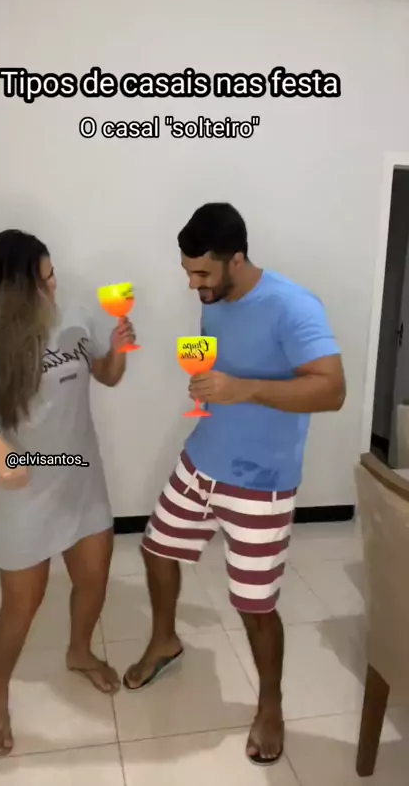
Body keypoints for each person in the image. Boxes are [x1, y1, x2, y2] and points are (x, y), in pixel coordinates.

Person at [123, 203, 346, 767]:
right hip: (202, 461)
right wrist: (207, 384)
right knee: (156, 550)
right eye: (187, 272)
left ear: (237, 259)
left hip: (260, 483)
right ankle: (165, 640)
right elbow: (221, 359)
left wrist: (243, 388)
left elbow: (332, 390)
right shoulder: (214, 300)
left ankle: (270, 705)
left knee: (254, 605)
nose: (192, 284)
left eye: (201, 272)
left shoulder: (294, 306)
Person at [0, 229, 136, 757]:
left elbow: (107, 375)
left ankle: (79, 651)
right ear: (13, 293)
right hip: (26, 484)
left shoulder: (75, 314)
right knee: (20, 608)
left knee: (93, 580)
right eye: (42, 282)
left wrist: (118, 351)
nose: (54, 288)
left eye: (53, 276)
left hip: (81, 475)